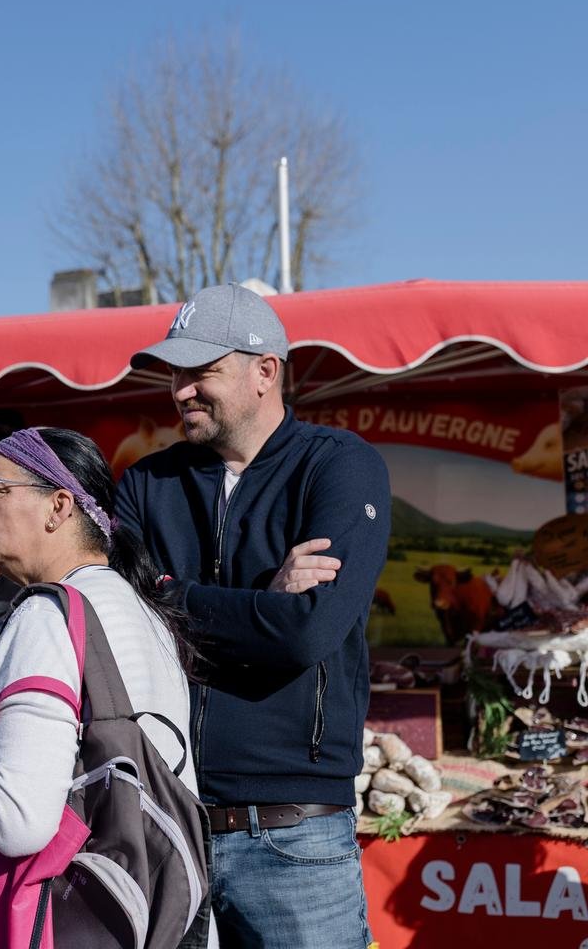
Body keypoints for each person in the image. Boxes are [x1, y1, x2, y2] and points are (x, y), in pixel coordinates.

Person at [117, 282, 391, 949]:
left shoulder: (340, 466)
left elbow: (306, 632)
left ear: (265, 370)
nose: (180, 390)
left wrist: (169, 600)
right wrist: (262, 598)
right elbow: (120, 622)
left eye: (200, 372)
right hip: (167, 823)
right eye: (175, 373)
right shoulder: (144, 483)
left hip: (296, 837)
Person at [0, 427, 200, 873]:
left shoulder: (48, 616)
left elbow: (17, 821)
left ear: (58, 507)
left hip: (78, 916)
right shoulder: (140, 606)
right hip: (154, 906)